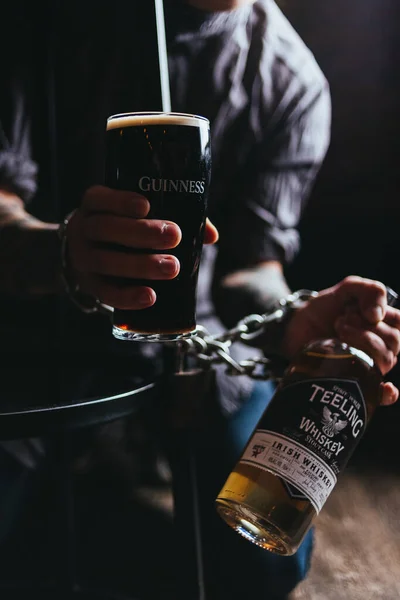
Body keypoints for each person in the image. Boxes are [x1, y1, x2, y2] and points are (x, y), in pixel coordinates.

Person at [0, 0, 399, 598]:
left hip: (200, 349)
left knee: (266, 559)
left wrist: (293, 320)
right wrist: (64, 250)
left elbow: (250, 272)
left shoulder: (291, 80)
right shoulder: (46, 19)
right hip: (35, 329)